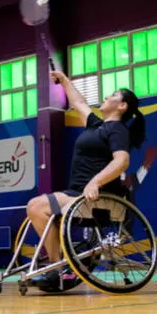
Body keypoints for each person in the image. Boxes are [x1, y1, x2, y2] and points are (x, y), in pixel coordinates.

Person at [26, 69, 146, 288]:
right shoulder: (96, 125)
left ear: (122, 106)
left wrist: (95, 182)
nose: (106, 97)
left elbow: (122, 161)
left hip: (99, 197)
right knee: (35, 206)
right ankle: (59, 265)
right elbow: (79, 103)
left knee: (38, 206)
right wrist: (63, 80)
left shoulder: (117, 129)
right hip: (77, 193)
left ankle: (58, 268)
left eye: (112, 95)